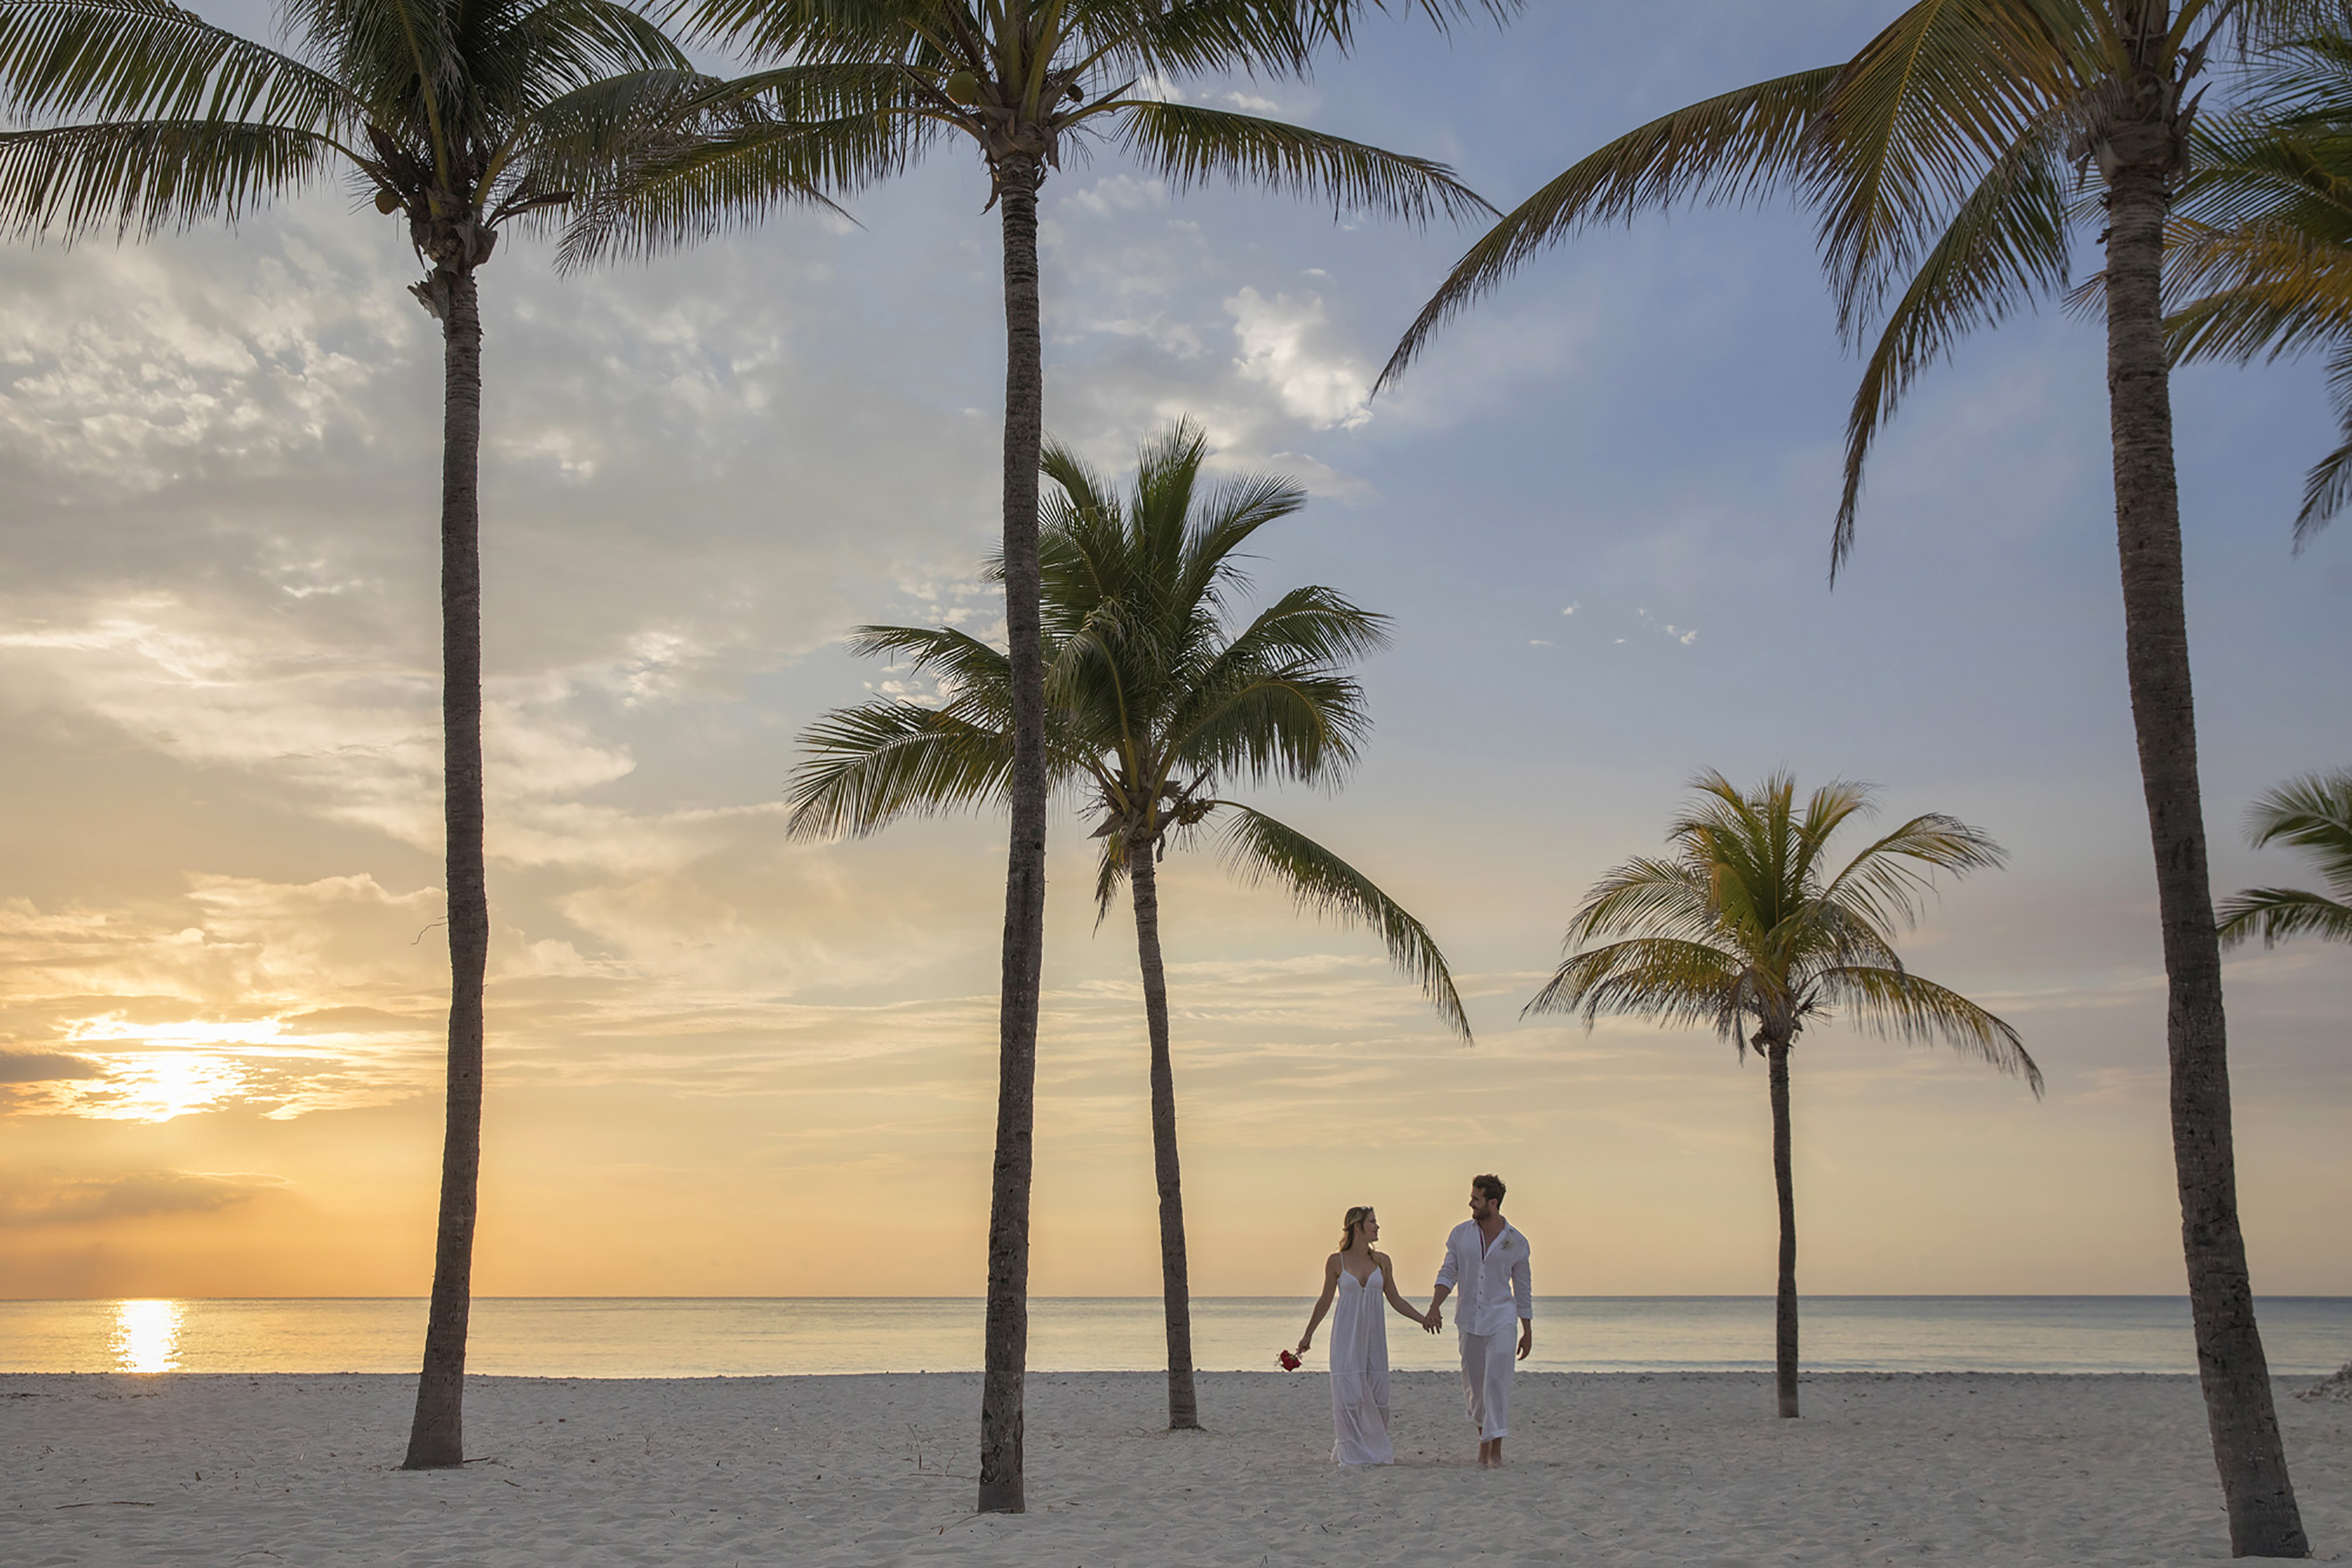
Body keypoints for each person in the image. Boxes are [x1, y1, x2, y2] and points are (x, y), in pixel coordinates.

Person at [1296, 1204, 1435, 1466]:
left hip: (1374, 1340)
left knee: (1379, 1396)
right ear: (1357, 1227)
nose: (1377, 1226)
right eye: (1372, 1222)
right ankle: (1352, 1452)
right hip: (1346, 1338)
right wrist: (1308, 1335)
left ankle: (1374, 1448)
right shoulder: (1336, 1262)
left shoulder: (1382, 1261)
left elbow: (1395, 1298)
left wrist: (1422, 1320)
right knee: (1349, 1397)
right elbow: (1325, 1300)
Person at [1424, 1173, 1532, 1467]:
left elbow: (1522, 1287)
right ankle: (1484, 1439)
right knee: (1475, 1388)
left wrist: (1527, 1328)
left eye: (1476, 1198)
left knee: (1497, 1382)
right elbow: (1448, 1273)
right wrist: (1435, 1306)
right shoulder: (1460, 1235)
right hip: (1469, 1320)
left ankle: (1492, 1451)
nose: (1470, 1202)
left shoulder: (1516, 1242)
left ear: (1492, 1203)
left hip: (1502, 1319)